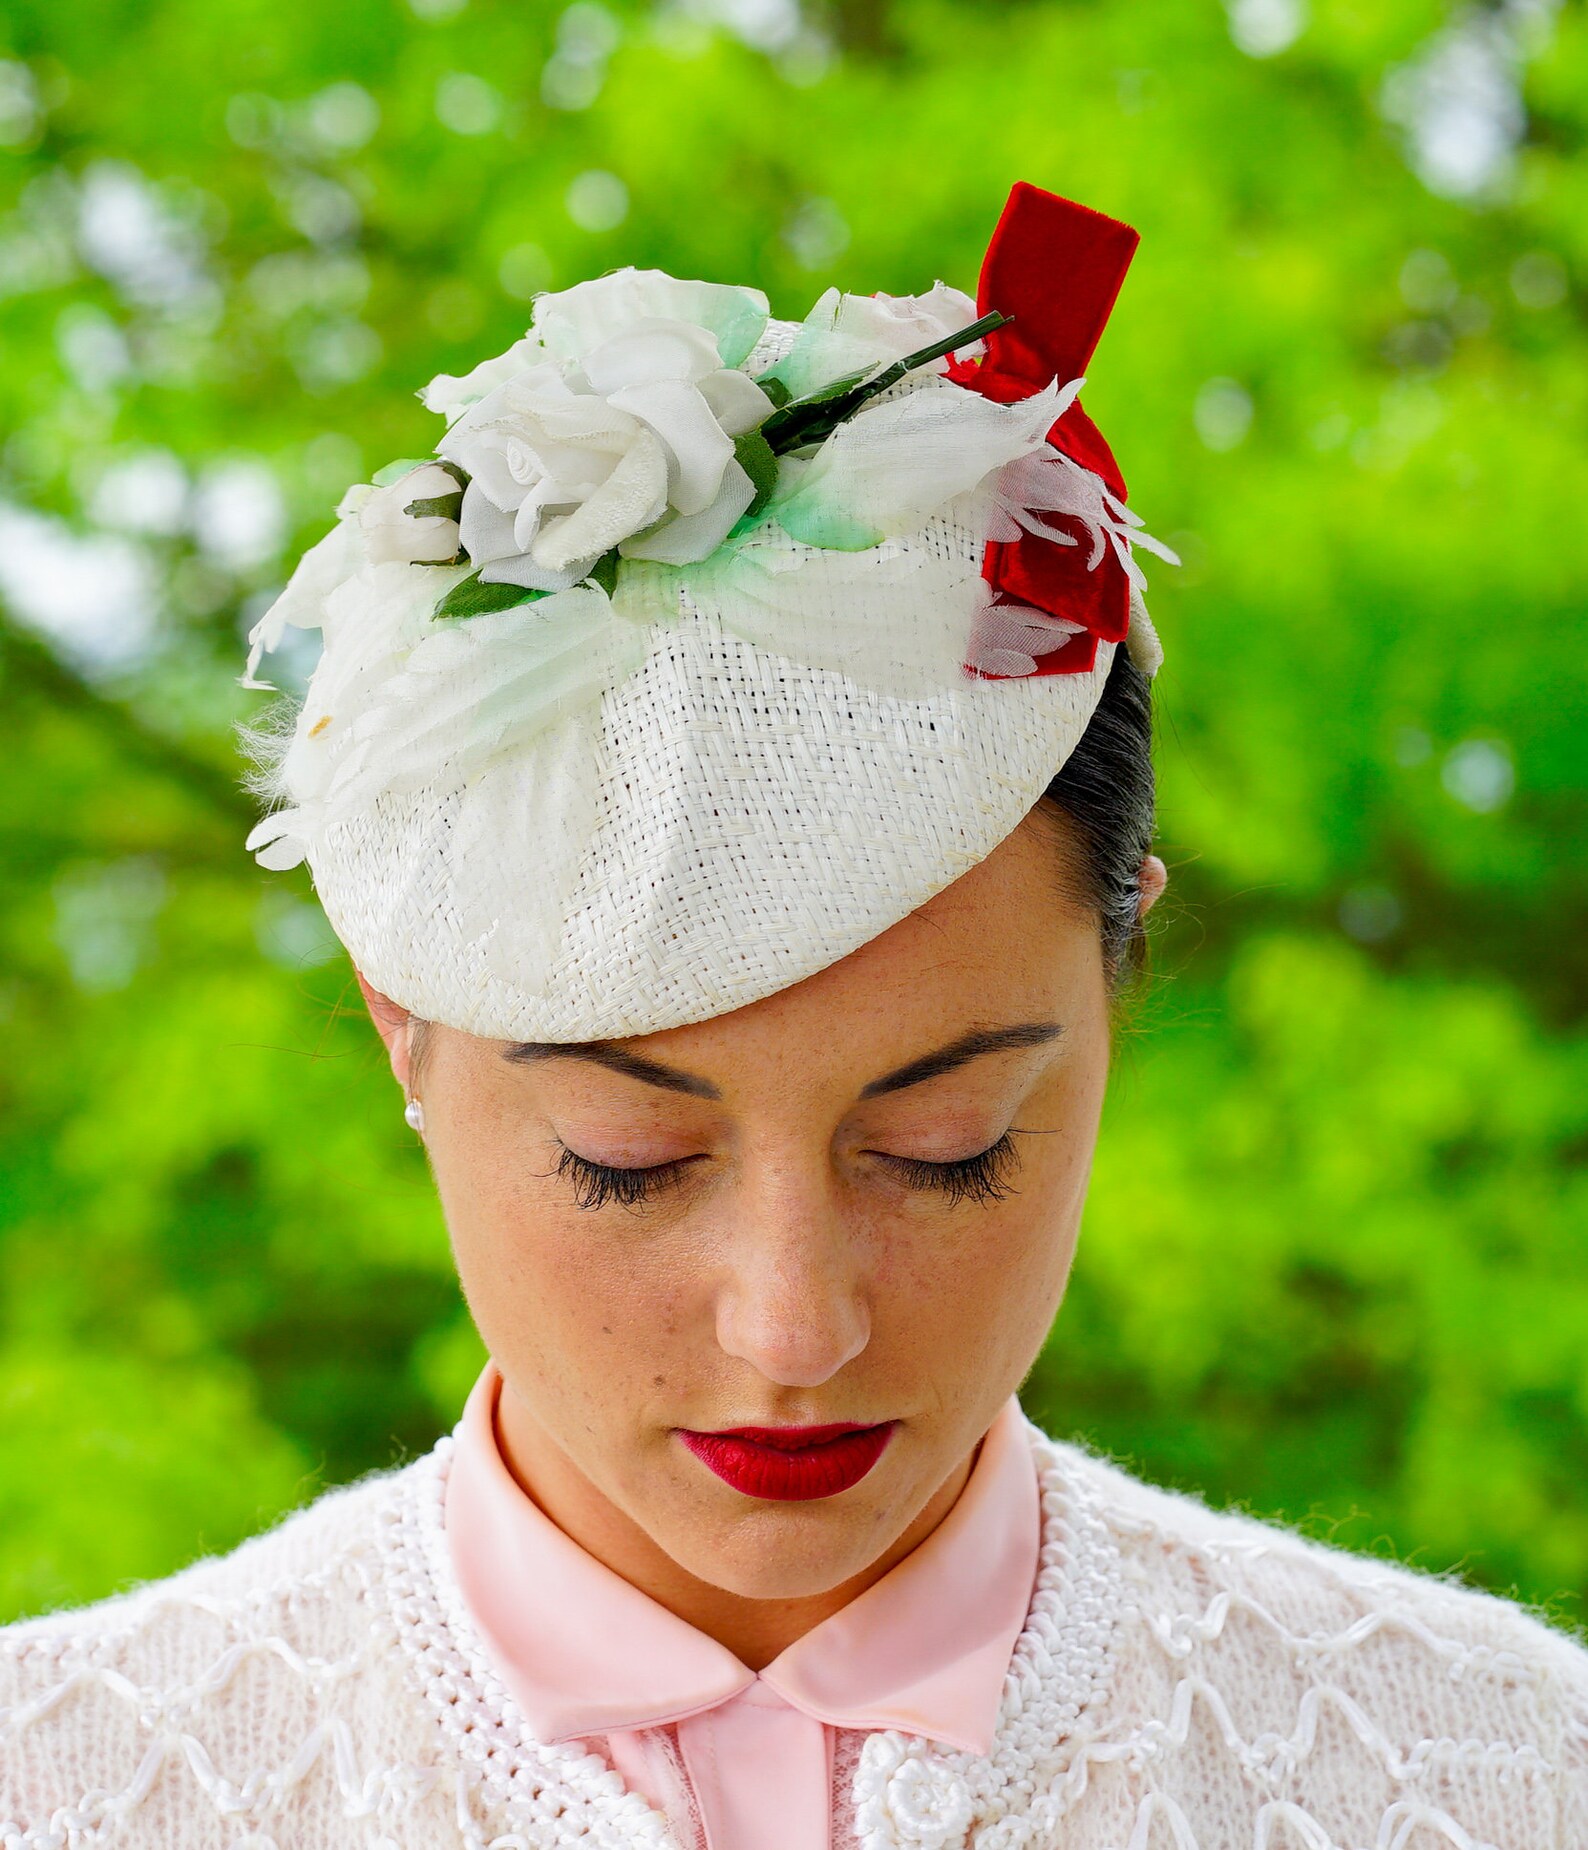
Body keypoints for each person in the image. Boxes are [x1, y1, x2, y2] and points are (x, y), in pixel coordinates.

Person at [2, 181, 1584, 1850]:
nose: (794, 1327)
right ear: (405, 1028)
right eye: (629, 1158)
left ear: (1118, 972)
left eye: (943, 1148)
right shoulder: (65, 1791)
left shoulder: (1504, 1775)